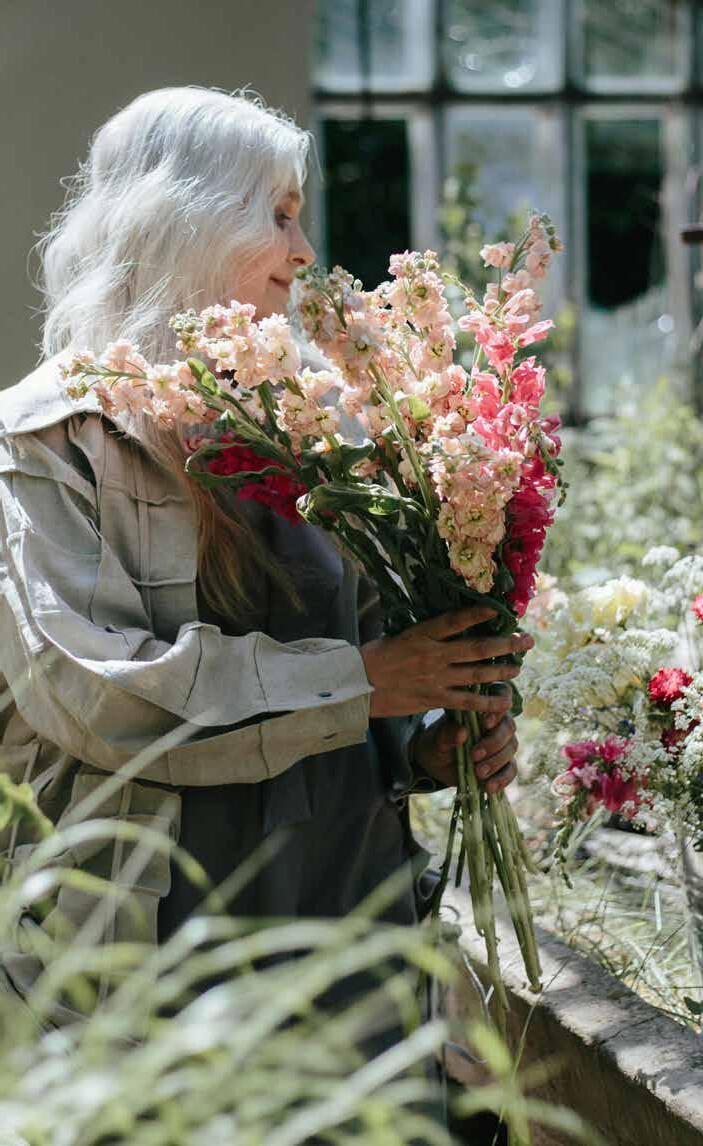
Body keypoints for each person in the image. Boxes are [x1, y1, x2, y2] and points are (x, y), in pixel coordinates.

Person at [0, 87, 528, 1061]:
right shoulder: (47, 442)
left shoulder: (305, 429)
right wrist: (366, 685)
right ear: (184, 222)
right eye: (277, 215)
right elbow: (93, 693)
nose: (302, 252)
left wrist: (425, 740)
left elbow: (357, 663)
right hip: (155, 951)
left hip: (350, 925)